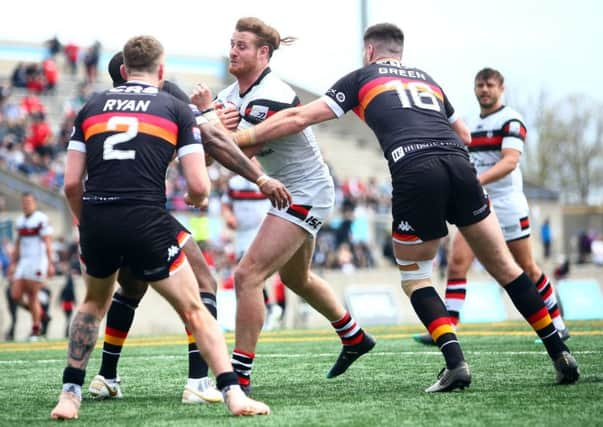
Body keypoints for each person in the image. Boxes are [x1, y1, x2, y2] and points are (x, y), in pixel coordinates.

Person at [231, 23, 580, 390]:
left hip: (415, 169)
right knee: (507, 268)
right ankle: (559, 353)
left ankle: (456, 364)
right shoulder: (427, 79)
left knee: (416, 276)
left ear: (369, 51)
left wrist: (240, 137)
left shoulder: (363, 77)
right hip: (460, 165)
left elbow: (299, 117)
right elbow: (464, 135)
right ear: (400, 52)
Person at [50, 35, 272, 420]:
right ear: (161, 70)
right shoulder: (171, 102)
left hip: (98, 216)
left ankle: (72, 392)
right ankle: (227, 391)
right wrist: (204, 195)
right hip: (145, 217)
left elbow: (71, 184)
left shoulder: (90, 106)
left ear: (122, 72)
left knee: (94, 303)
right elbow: (200, 182)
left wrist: (83, 222)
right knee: (197, 301)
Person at [191, 17, 375, 394]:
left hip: (304, 191)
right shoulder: (231, 94)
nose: (232, 51)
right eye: (231, 43)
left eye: (241, 45)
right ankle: (354, 336)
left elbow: (242, 150)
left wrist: (211, 123)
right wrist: (211, 128)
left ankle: (239, 376)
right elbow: (210, 158)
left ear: (263, 53)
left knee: (247, 276)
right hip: (291, 190)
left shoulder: (271, 92)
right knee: (295, 278)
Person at [414, 68, 569, 344]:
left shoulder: (511, 119)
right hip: (477, 201)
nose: (484, 90)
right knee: (457, 262)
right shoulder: (469, 123)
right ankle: (449, 327)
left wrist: (474, 182)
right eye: (479, 85)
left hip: (507, 203)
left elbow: (510, 161)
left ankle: (557, 323)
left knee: (527, 267)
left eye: (489, 85)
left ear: (501, 88)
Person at [7, 192, 54, 340]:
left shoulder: (40, 219)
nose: (26, 205)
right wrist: (13, 263)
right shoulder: (20, 221)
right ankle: (42, 315)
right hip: (24, 262)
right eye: (24, 202)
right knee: (15, 294)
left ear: (35, 202)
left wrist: (50, 263)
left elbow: (47, 242)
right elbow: (18, 245)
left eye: (29, 202)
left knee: (32, 296)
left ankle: (36, 329)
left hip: (37, 261)